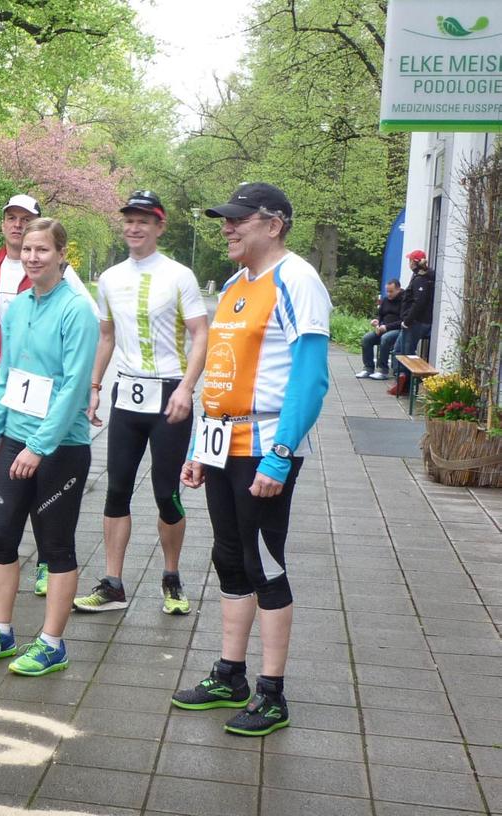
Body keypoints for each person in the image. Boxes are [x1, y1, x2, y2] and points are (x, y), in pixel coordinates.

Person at [172, 183, 330, 737]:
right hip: (222, 446)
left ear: (275, 224)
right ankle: (230, 675)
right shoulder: (238, 284)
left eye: (239, 219)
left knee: (266, 565)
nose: (227, 227)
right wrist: (196, 449)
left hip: (265, 449)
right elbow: (218, 373)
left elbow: (312, 379)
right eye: (225, 218)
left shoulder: (298, 280)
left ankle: (272, 693)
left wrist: (281, 456)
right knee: (229, 559)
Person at [0, 218, 98, 676]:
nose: (34, 256)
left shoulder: (76, 309)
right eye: (28, 249)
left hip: (61, 447)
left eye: (44, 249)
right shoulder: (16, 308)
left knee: (55, 545)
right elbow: (6, 376)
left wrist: (39, 447)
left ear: (62, 255)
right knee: (1, 537)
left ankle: (52, 643)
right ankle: (2, 630)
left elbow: (75, 386)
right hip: (14, 438)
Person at [79, 191, 207, 616]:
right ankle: (113, 584)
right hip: (128, 396)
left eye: (144, 221)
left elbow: (200, 335)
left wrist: (188, 388)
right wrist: (95, 386)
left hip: (170, 393)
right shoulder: (111, 277)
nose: (134, 227)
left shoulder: (179, 275)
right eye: (129, 220)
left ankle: (171, 577)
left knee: (165, 493)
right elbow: (106, 337)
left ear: (159, 226)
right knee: (116, 490)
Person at [388, 249, 434, 393]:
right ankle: (401, 378)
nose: (408, 264)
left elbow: (418, 303)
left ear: (414, 263)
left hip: (415, 322)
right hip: (411, 321)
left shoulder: (422, 279)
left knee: (408, 353)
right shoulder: (418, 277)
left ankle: (408, 385)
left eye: (409, 261)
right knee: (398, 350)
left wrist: (407, 321)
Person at [356, 279, 404, 380]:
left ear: (398, 289)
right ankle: (368, 368)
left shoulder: (404, 301)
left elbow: (403, 321)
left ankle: (383, 370)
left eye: (391, 291)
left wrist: (387, 327)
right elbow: (380, 315)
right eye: (387, 291)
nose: (388, 294)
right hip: (383, 329)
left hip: (398, 331)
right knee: (366, 338)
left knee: (385, 338)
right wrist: (377, 321)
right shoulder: (386, 300)